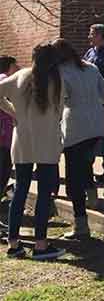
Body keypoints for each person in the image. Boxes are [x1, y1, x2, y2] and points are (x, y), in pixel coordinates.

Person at [0, 44, 66, 260]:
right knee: (45, 193)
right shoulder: (57, 80)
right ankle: (40, 244)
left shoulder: (20, 76)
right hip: (47, 141)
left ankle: (13, 243)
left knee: (20, 191)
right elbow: (59, 112)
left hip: (22, 140)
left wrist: (14, 112)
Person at [54, 39, 104, 239]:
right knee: (85, 163)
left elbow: (58, 103)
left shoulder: (60, 72)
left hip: (75, 126)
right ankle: (93, 198)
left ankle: (81, 224)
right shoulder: (91, 67)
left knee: (73, 177)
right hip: (96, 123)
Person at [84, 23, 104, 186]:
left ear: (101, 36)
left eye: (92, 34)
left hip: (103, 100)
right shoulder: (90, 52)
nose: (89, 37)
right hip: (90, 100)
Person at [0, 55, 19, 203]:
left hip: (5, 132)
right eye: (15, 65)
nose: (17, 68)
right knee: (4, 168)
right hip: (4, 133)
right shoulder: (4, 79)